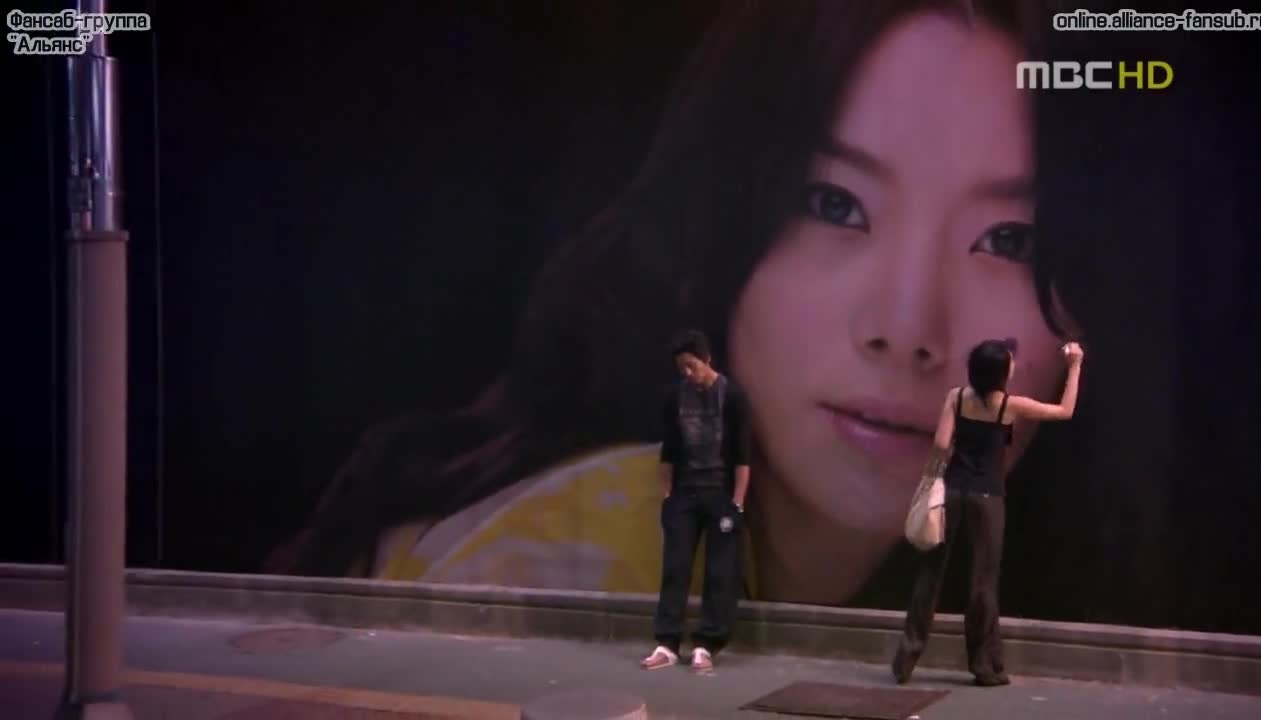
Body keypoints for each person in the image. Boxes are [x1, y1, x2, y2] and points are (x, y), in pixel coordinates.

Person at [267, 0, 1154, 620]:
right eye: (833, 204)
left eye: (1010, 240)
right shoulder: (598, 560)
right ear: (719, 230)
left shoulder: (1005, 591)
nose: (908, 329)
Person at [892, 338, 1084, 687]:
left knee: (930, 574)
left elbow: (941, 444)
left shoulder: (956, 398)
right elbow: (1064, 411)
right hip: (987, 496)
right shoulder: (1008, 405)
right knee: (983, 581)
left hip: (952, 491)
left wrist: (932, 482)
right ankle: (984, 666)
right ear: (1000, 373)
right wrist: (1075, 366)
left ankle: (906, 659)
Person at [641, 330, 751, 673]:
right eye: (682, 369)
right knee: (675, 568)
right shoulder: (676, 397)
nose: (687, 374)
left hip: (720, 495)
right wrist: (667, 494)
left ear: (707, 360)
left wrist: (737, 502)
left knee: (719, 572)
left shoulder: (732, 396)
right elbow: (669, 450)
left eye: (692, 366)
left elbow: (743, 455)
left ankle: (706, 644)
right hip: (684, 495)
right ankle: (667, 643)